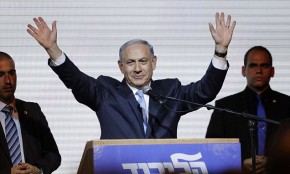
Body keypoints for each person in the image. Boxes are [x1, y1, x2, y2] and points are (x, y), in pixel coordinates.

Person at [26, 12, 236, 139]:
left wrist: (220, 50)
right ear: (121, 66)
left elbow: (204, 91)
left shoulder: (170, 91)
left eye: (143, 61)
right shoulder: (105, 92)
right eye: (130, 62)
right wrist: (53, 49)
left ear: (154, 63)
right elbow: (77, 81)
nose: (137, 68)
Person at [206, 46, 290, 173]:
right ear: (243, 71)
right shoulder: (225, 106)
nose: (259, 70)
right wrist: (239, 164)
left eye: (264, 66)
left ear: (272, 71)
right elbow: (211, 149)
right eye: (253, 66)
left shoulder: (288, 105)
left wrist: (273, 163)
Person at [0, 52, 61, 174]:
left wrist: (37, 169)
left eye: (12, 73)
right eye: (0, 75)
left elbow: (53, 155)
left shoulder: (33, 110)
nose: (8, 80)